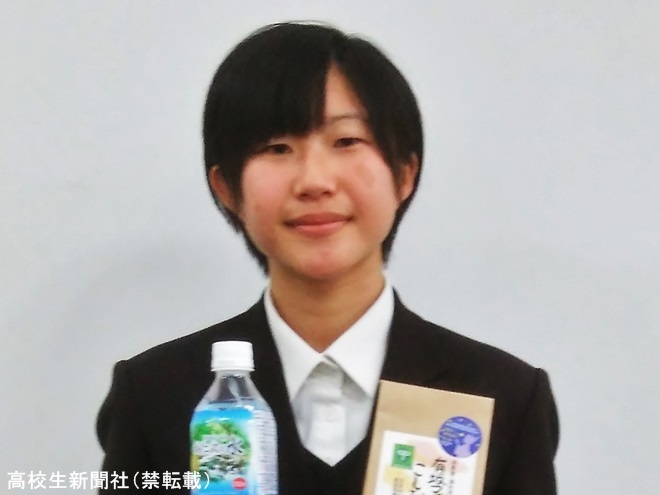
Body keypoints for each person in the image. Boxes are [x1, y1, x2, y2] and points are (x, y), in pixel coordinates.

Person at [96, 21, 559, 494]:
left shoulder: (502, 395)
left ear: (404, 173)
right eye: (277, 148)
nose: (314, 181)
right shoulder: (156, 394)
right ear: (227, 189)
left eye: (346, 141)